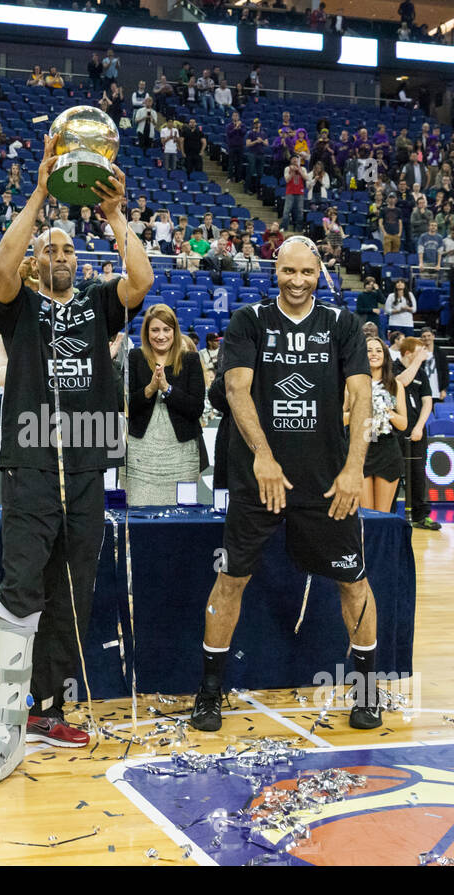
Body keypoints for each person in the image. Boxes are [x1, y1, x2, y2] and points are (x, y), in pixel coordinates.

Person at [0, 137, 151, 782]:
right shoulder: (21, 307)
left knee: (73, 591)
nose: (60, 255)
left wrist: (117, 218)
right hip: (33, 462)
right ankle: (2, 717)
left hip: (89, 465)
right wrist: (41, 194)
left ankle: (49, 704)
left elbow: (143, 280)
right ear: (39, 261)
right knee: (21, 586)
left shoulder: (101, 303)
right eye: (51, 249)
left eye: (69, 249)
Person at [192, 237, 379, 735]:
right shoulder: (249, 321)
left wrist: (353, 468)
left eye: (308, 273)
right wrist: (265, 459)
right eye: (288, 271)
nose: (298, 282)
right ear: (274, 270)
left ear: (321, 274)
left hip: (325, 483)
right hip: (260, 482)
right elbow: (235, 389)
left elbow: (362, 396)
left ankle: (366, 689)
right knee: (230, 580)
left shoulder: (341, 325)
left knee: (353, 579)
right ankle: (210, 690)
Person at [125, 304, 206, 505]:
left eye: (166, 330)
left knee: (180, 520)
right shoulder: (135, 357)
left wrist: (167, 389)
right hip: (140, 456)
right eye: (155, 330)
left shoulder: (191, 360)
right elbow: (127, 406)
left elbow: (196, 408)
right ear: (146, 332)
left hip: (182, 455)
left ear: (174, 331)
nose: (161, 336)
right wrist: (151, 388)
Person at [394, 336, 440, 530]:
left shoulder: (422, 373)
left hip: (416, 431)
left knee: (419, 473)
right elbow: (400, 383)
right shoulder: (392, 368)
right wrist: (417, 361)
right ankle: (388, 515)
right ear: (407, 353)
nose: (424, 355)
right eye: (419, 352)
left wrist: (420, 426)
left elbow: (427, 402)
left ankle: (421, 516)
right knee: (393, 473)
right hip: (395, 430)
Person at [357, 336, 407, 511]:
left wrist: (386, 411)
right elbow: (340, 418)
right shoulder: (352, 383)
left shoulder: (395, 385)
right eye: (369, 350)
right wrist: (361, 410)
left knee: (382, 514)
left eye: (378, 351)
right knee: (365, 514)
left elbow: (403, 424)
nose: (374, 354)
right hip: (360, 450)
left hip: (387, 450)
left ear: (385, 356)